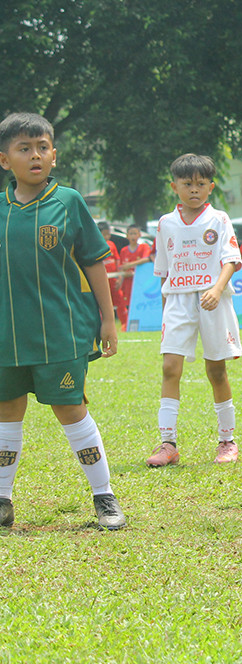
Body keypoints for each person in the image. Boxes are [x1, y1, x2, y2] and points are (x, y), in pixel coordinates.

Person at [0, 112, 126, 530]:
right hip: (7, 339)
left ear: (53, 155)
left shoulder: (68, 201)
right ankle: (2, 500)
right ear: (5, 160)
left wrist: (107, 321)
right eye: (24, 148)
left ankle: (104, 497)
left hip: (61, 333)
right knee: (6, 414)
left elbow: (93, 263)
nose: (35, 155)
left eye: (42, 148)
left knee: (71, 410)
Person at [145, 154, 242, 468]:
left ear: (211, 187)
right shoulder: (165, 223)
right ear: (175, 186)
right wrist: (165, 310)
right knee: (170, 368)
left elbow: (231, 259)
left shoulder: (219, 219)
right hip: (177, 301)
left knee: (216, 371)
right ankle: (167, 443)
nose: (194, 190)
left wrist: (216, 288)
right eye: (187, 184)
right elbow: (163, 271)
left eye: (201, 184)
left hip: (212, 300)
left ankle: (227, 441)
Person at [117, 222, 153, 328]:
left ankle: (144, 324)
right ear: (127, 236)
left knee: (141, 304)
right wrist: (121, 279)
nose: (133, 236)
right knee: (127, 305)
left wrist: (130, 265)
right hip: (128, 284)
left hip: (140, 283)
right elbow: (122, 267)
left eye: (135, 233)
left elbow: (147, 259)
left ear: (139, 235)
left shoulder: (143, 247)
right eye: (131, 234)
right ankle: (128, 326)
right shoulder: (124, 251)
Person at [97, 222, 125, 328]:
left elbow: (117, 261)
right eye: (104, 234)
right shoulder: (94, 245)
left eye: (108, 234)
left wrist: (119, 277)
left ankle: (124, 325)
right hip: (101, 280)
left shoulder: (111, 245)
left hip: (113, 280)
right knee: (101, 303)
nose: (107, 237)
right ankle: (102, 324)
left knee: (120, 301)